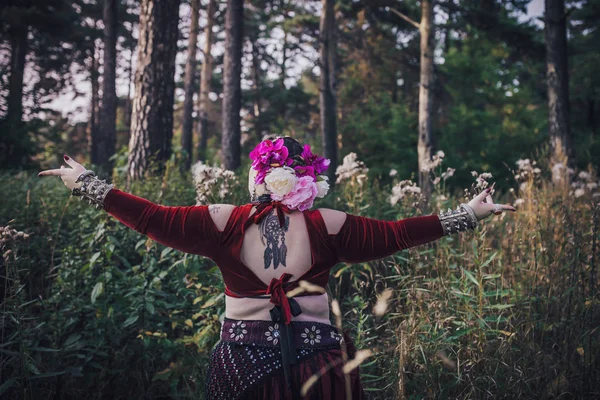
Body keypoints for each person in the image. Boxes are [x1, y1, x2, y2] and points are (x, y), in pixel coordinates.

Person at [38, 137, 516, 400]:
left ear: (257, 178)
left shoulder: (220, 219)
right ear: (307, 179)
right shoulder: (329, 223)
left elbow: (150, 217)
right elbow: (397, 234)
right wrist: (468, 214)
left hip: (243, 365)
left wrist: (85, 182)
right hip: (321, 367)